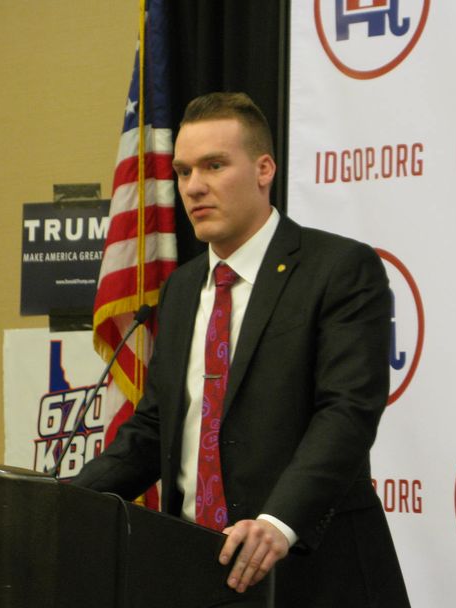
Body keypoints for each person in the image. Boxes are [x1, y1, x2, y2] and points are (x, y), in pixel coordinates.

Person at [72, 92, 410, 606]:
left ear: (264, 169)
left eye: (214, 165)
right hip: (194, 567)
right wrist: (64, 500)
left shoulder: (338, 269)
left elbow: (347, 412)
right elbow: (155, 427)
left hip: (309, 570)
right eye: (183, 172)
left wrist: (278, 522)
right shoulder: (183, 289)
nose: (194, 187)